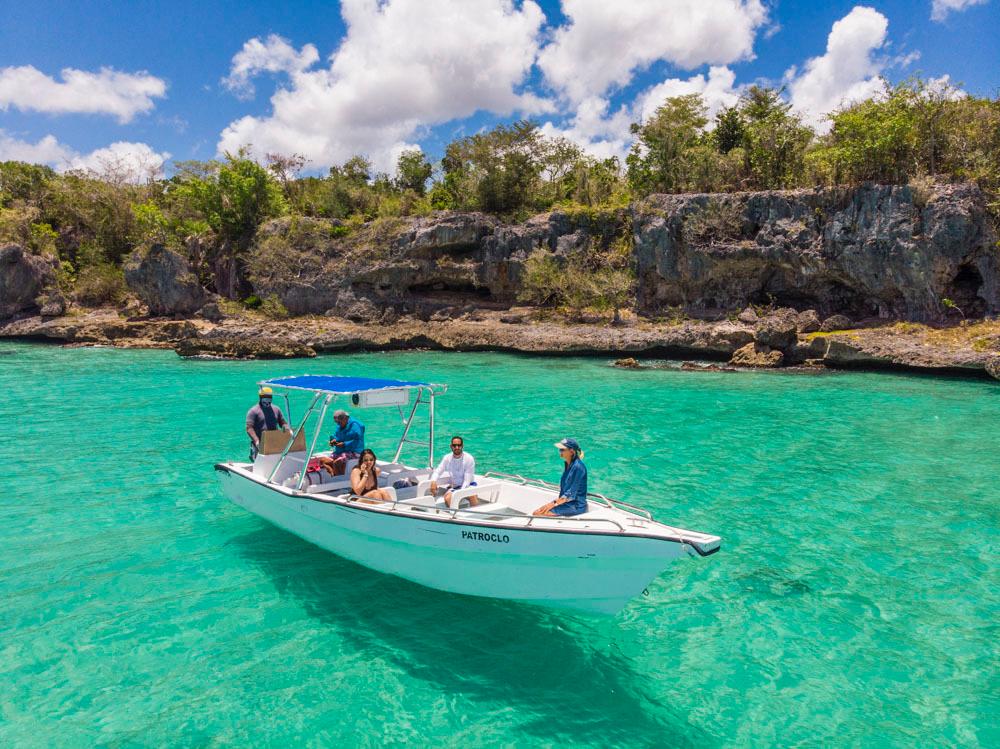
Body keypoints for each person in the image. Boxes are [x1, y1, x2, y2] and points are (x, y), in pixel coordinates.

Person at [533, 438, 588, 516]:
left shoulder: (578, 467)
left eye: (562, 449)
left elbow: (571, 493)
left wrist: (553, 504)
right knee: (538, 511)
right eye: (559, 449)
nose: (560, 451)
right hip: (567, 503)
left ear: (571, 451)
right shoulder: (568, 464)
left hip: (575, 506)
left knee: (537, 514)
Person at [429, 435, 477, 507]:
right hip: (455, 487)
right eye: (454, 445)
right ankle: (456, 516)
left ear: (462, 446)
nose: (457, 447)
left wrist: (458, 494)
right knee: (448, 498)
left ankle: (475, 514)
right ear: (451, 446)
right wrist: (433, 481)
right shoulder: (447, 458)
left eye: (459, 445)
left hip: (469, 486)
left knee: (472, 496)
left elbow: (467, 482)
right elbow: (438, 471)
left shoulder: (469, 458)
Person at [245, 386, 291, 460]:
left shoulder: (276, 409)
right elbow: (249, 428)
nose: (267, 399)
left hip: (274, 442)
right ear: (260, 397)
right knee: (260, 464)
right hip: (259, 444)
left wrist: (287, 429)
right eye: (265, 397)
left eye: (269, 397)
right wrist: (256, 441)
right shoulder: (253, 411)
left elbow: (282, 422)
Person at [326, 409, 366, 475]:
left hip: (354, 452)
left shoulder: (356, 426)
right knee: (323, 461)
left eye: (340, 422)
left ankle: (340, 478)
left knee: (338, 462)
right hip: (341, 451)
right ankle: (334, 476)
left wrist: (344, 444)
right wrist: (333, 440)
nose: (339, 424)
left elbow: (357, 440)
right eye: (337, 423)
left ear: (346, 418)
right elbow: (336, 435)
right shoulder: (340, 424)